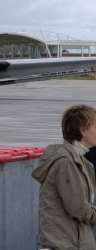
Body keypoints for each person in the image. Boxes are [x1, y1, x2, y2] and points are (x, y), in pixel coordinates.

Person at [32, 104, 96, 249]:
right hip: (67, 244)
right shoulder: (66, 162)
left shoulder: (80, 160)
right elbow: (78, 208)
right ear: (83, 131)